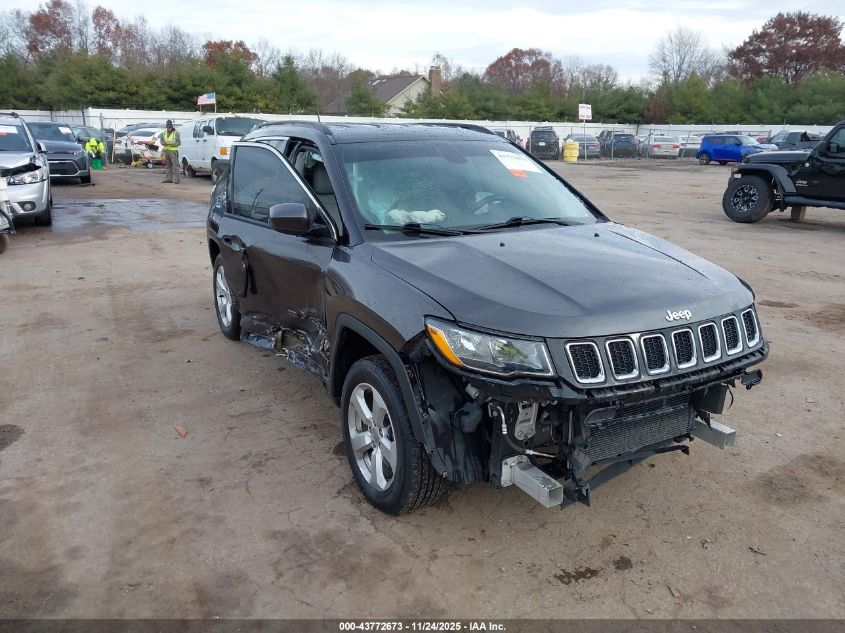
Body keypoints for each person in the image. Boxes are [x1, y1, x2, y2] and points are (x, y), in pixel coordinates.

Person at [160, 119, 181, 183]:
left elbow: (178, 142)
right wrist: (164, 143)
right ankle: (169, 179)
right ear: (166, 127)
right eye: (168, 128)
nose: (169, 129)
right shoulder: (163, 133)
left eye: (170, 127)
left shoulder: (176, 132)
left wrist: (170, 143)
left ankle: (177, 179)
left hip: (173, 151)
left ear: (172, 127)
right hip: (166, 151)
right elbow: (161, 141)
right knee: (168, 166)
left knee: (175, 165)